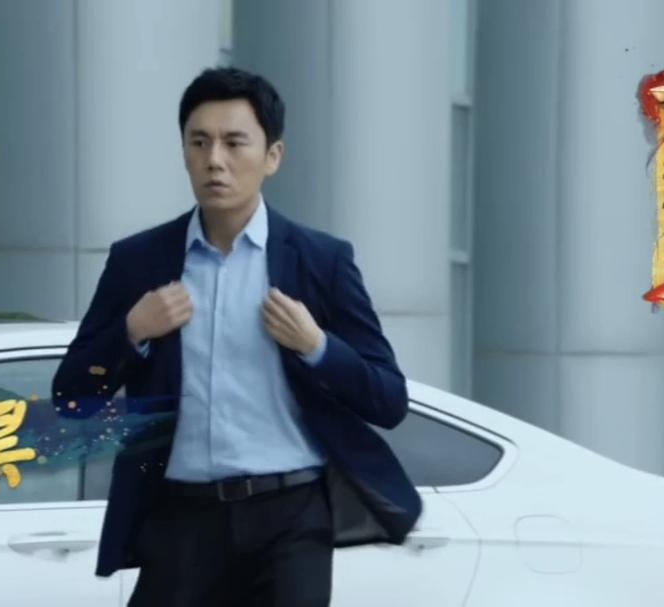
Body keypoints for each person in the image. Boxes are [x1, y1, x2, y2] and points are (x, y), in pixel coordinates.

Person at [52, 66, 420, 607]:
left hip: (290, 517)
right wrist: (132, 332)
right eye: (199, 142)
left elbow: (388, 400)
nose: (215, 160)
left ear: (272, 156)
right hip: (180, 517)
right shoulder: (140, 261)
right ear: (183, 153)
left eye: (234, 142)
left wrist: (317, 346)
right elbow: (72, 396)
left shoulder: (321, 261)